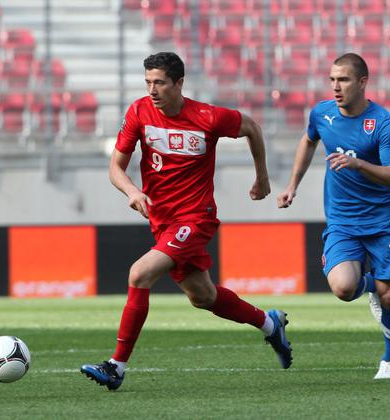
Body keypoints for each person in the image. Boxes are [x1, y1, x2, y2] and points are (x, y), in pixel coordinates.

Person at [80, 52, 292, 391]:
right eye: (148, 82)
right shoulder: (138, 112)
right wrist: (132, 191)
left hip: (196, 218)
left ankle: (116, 367)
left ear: (179, 83)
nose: (152, 90)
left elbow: (251, 127)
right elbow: (115, 168)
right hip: (163, 222)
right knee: (203, 296)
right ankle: (270, 324)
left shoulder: (208, 117)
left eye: (160, 82)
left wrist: (262, 178)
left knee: (139, 273)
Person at [277, 53, 390, 380]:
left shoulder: (382, 122)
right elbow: (308, 141)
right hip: (344, 222)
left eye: (344, 80)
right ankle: (371, 286)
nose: (336, 86)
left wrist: (359, 163)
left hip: (383, 222)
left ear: (362, 82)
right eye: (332, 79)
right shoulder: (322, 113)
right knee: (344, 288)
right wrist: (292, 185)